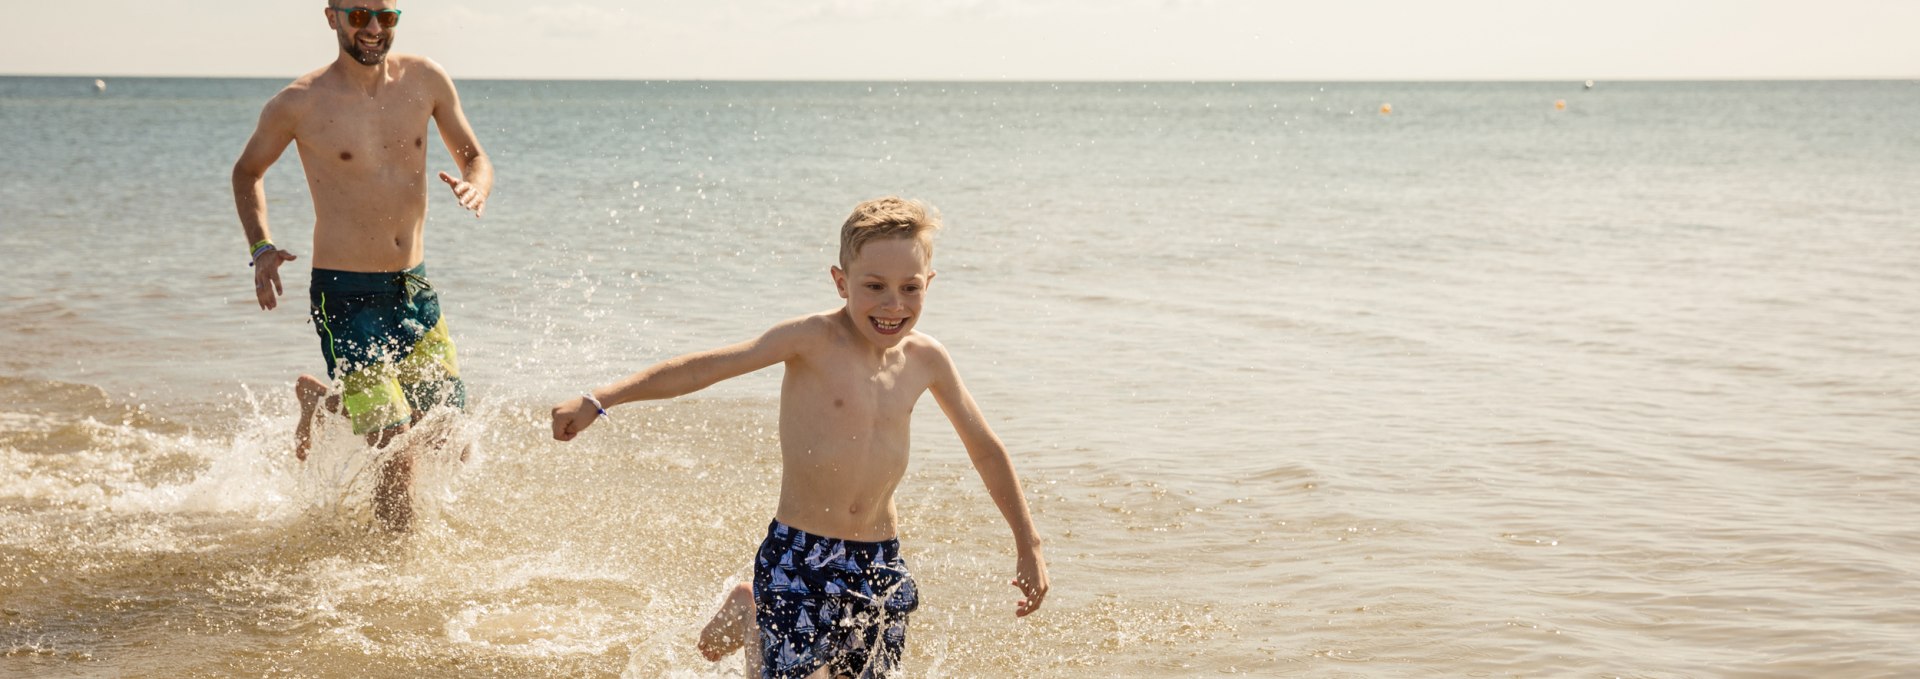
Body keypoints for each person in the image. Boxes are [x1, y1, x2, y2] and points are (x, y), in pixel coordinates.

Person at [551, 197, 1049, 678]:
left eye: (910, 288)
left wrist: (1029, 545)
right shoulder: (810, 340)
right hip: (800, 553)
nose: (893, 305)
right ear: (841, 281)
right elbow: (704, 370)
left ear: (929, 284)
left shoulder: (927, 359)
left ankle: (751, 616)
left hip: (878, 559)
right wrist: (600, 399)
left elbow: (984, 450)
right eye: (874, 286)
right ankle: (757, 616)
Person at [232, 1, 493, 532]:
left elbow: (474, 155)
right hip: (346, 295)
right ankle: (394, 576)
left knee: (445, 434)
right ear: (332, 18)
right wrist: (261, 249)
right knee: (395, 448)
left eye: (386, 17)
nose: (373, 29)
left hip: (413, 288)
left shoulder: (426, 79)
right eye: (359, 16)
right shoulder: (298, 104)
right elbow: (247, 172)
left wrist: (476, 184)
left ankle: (324, 400)